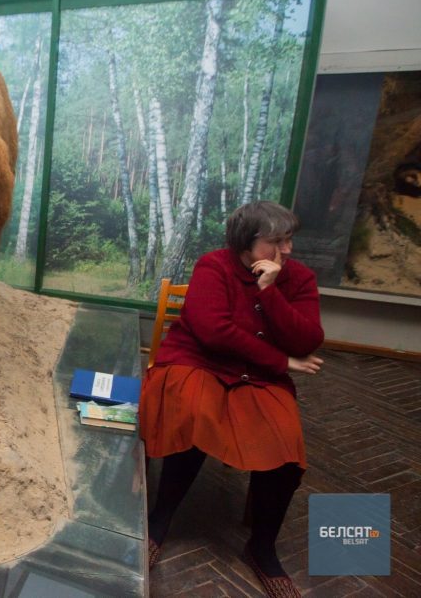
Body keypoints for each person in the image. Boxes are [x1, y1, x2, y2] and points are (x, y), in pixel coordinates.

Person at [140, 201, 324, 598]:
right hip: (200, 361)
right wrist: (282, 359)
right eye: (277, 241)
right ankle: (160, 519)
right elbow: (213, 332)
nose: (288, 250)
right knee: (194, 415)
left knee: (287, 449)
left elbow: (308, 340)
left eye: (289, 239)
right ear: (247, 242)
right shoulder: (214, 265)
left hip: (258, 377)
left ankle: (262, 547)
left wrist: (270, 293)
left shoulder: (299, 279)